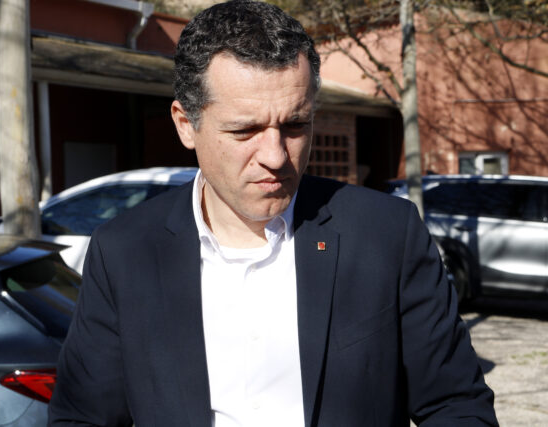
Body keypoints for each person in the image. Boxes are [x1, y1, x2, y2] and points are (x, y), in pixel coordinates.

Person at [48, 1, 498, 426]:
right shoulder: (125, 252)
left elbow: (456, 405)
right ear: (186, 125)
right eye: (245, 130)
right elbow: (82, 417)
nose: (276, 156)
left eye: (295, 125)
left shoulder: (386, 236)